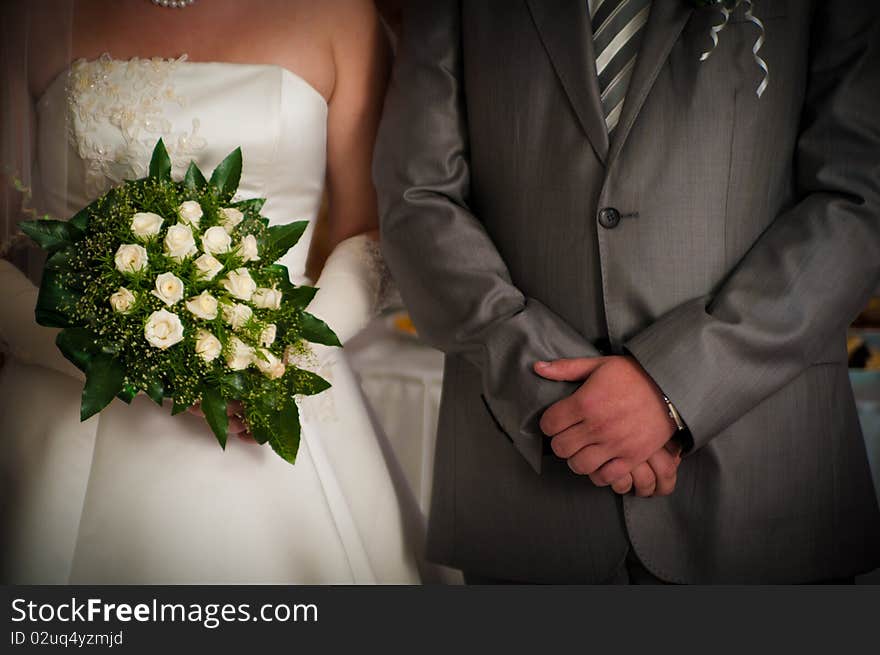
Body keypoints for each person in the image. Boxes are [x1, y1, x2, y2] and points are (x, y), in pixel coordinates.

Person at [374, 0, 880, 583]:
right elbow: (418, 197)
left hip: (766, 487)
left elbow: (858, 199)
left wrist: (676, 384)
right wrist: (549, 391)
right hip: (526, 497)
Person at [0, 0, 420, 584]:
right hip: (71, 394)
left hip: (271, 373)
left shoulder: (341, 15)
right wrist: (118, 353)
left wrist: (282, 358)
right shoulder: (33, 15)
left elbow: (364, 236)